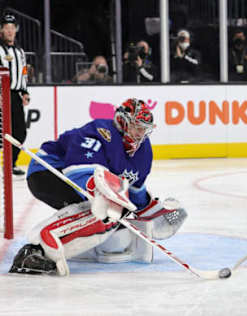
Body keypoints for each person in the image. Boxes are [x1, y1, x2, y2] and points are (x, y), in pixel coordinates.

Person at [9, 98, 188, 275]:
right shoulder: (100, 132)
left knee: (112, 215)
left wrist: (157, 212)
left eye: (144, 129)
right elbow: (77, 172)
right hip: (47, 172)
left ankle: (51, 249)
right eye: (137, 127)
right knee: (106, 210)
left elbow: (135, 195)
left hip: (84, 183)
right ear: (122, 122)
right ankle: (33, 250)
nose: (141, 134)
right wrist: (104, 195)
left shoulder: (144, 152)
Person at [0, 14, 30, 178]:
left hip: (15, 95)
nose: (10, 31)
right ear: (2, 30)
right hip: (2, 95)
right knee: (3, 132)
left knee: (20, 132)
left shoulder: (20, 52)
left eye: (12, 28)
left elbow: (24, 72)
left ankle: (10, 164)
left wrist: (25, 92)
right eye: (7, 28)